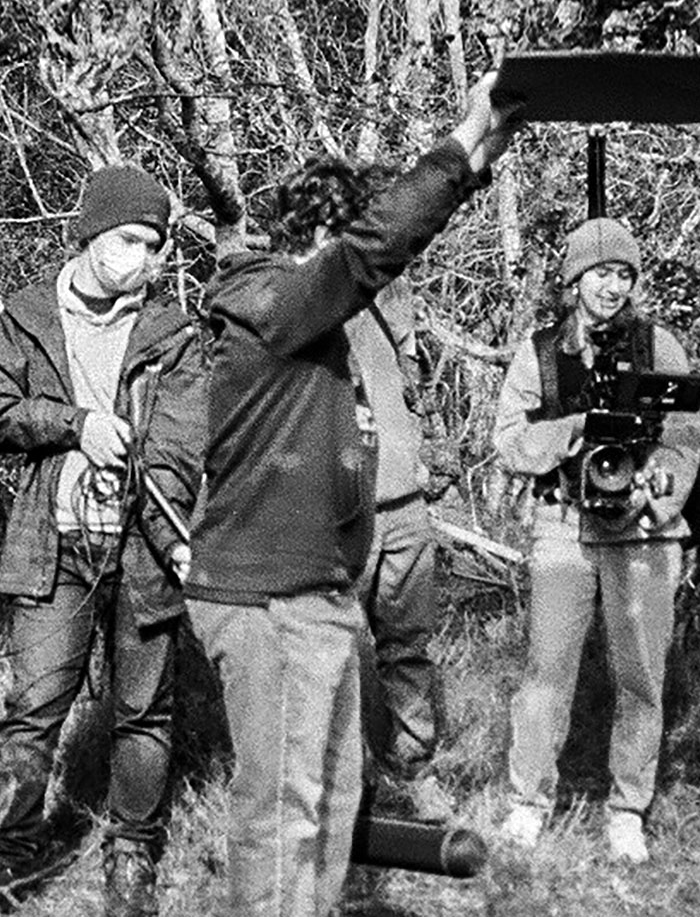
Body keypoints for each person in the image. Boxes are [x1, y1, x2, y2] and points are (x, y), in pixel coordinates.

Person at [186, 74, 519, 916]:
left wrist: (478, 160)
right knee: (282, 817)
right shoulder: (269, 303)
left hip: (315, 597)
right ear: (316, 244)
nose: (365, 282)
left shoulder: (310, 324)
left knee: (331, 810)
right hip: (267, 605)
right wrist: (459, 140)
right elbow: (376, 247)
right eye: (343, 254)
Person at [0, 163, 204, 917]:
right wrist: (74, 427)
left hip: (141, 553)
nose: (143, 257)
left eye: (155, 245)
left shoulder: (175, 333)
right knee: (32, 710)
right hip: (54, 548)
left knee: (144, 714)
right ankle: (2, 860)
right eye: (130, 238)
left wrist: (167, 527)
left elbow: (181, 446)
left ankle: (132, 858)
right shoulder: (28, 315)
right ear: (93, 233)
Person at [491, 217, 700, 864]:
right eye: (599, 273)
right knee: (546, 673)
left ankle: (627, 809)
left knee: (640, 675)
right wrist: (574, 431)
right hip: (563, 523)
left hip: (642, 528)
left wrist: (657, 488)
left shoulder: (657, 346)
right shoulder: (540, 351)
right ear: (574, 279)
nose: (611, 287)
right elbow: (508, 440)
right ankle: (529, 802)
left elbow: (687, 432)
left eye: (622, 274)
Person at [353, 273, 451, 821]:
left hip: (405, 502)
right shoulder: (306, 292)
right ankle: (348, 778)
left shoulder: (392, 290)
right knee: (337, 649)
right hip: (342, 510)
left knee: (408, 644)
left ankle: (414, 770)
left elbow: (413, 388)